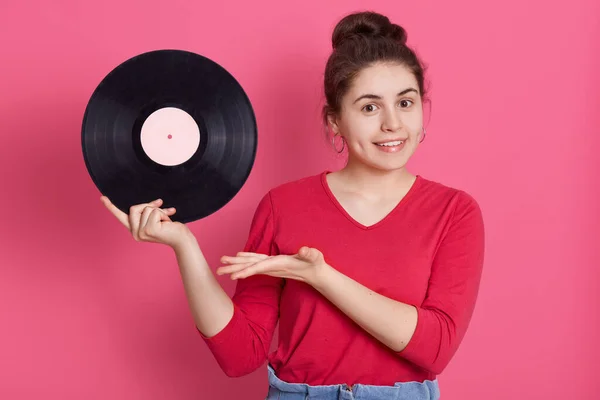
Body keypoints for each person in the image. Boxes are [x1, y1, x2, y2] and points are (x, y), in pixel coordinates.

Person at [101, 10, 485, 400]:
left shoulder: (454, 212)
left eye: (406, 102)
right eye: (369, 107)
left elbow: (435, 348)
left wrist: (321, 276)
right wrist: (184, 245)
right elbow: (240, 354)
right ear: (334, 121)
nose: (392, 124)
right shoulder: (282, 206)